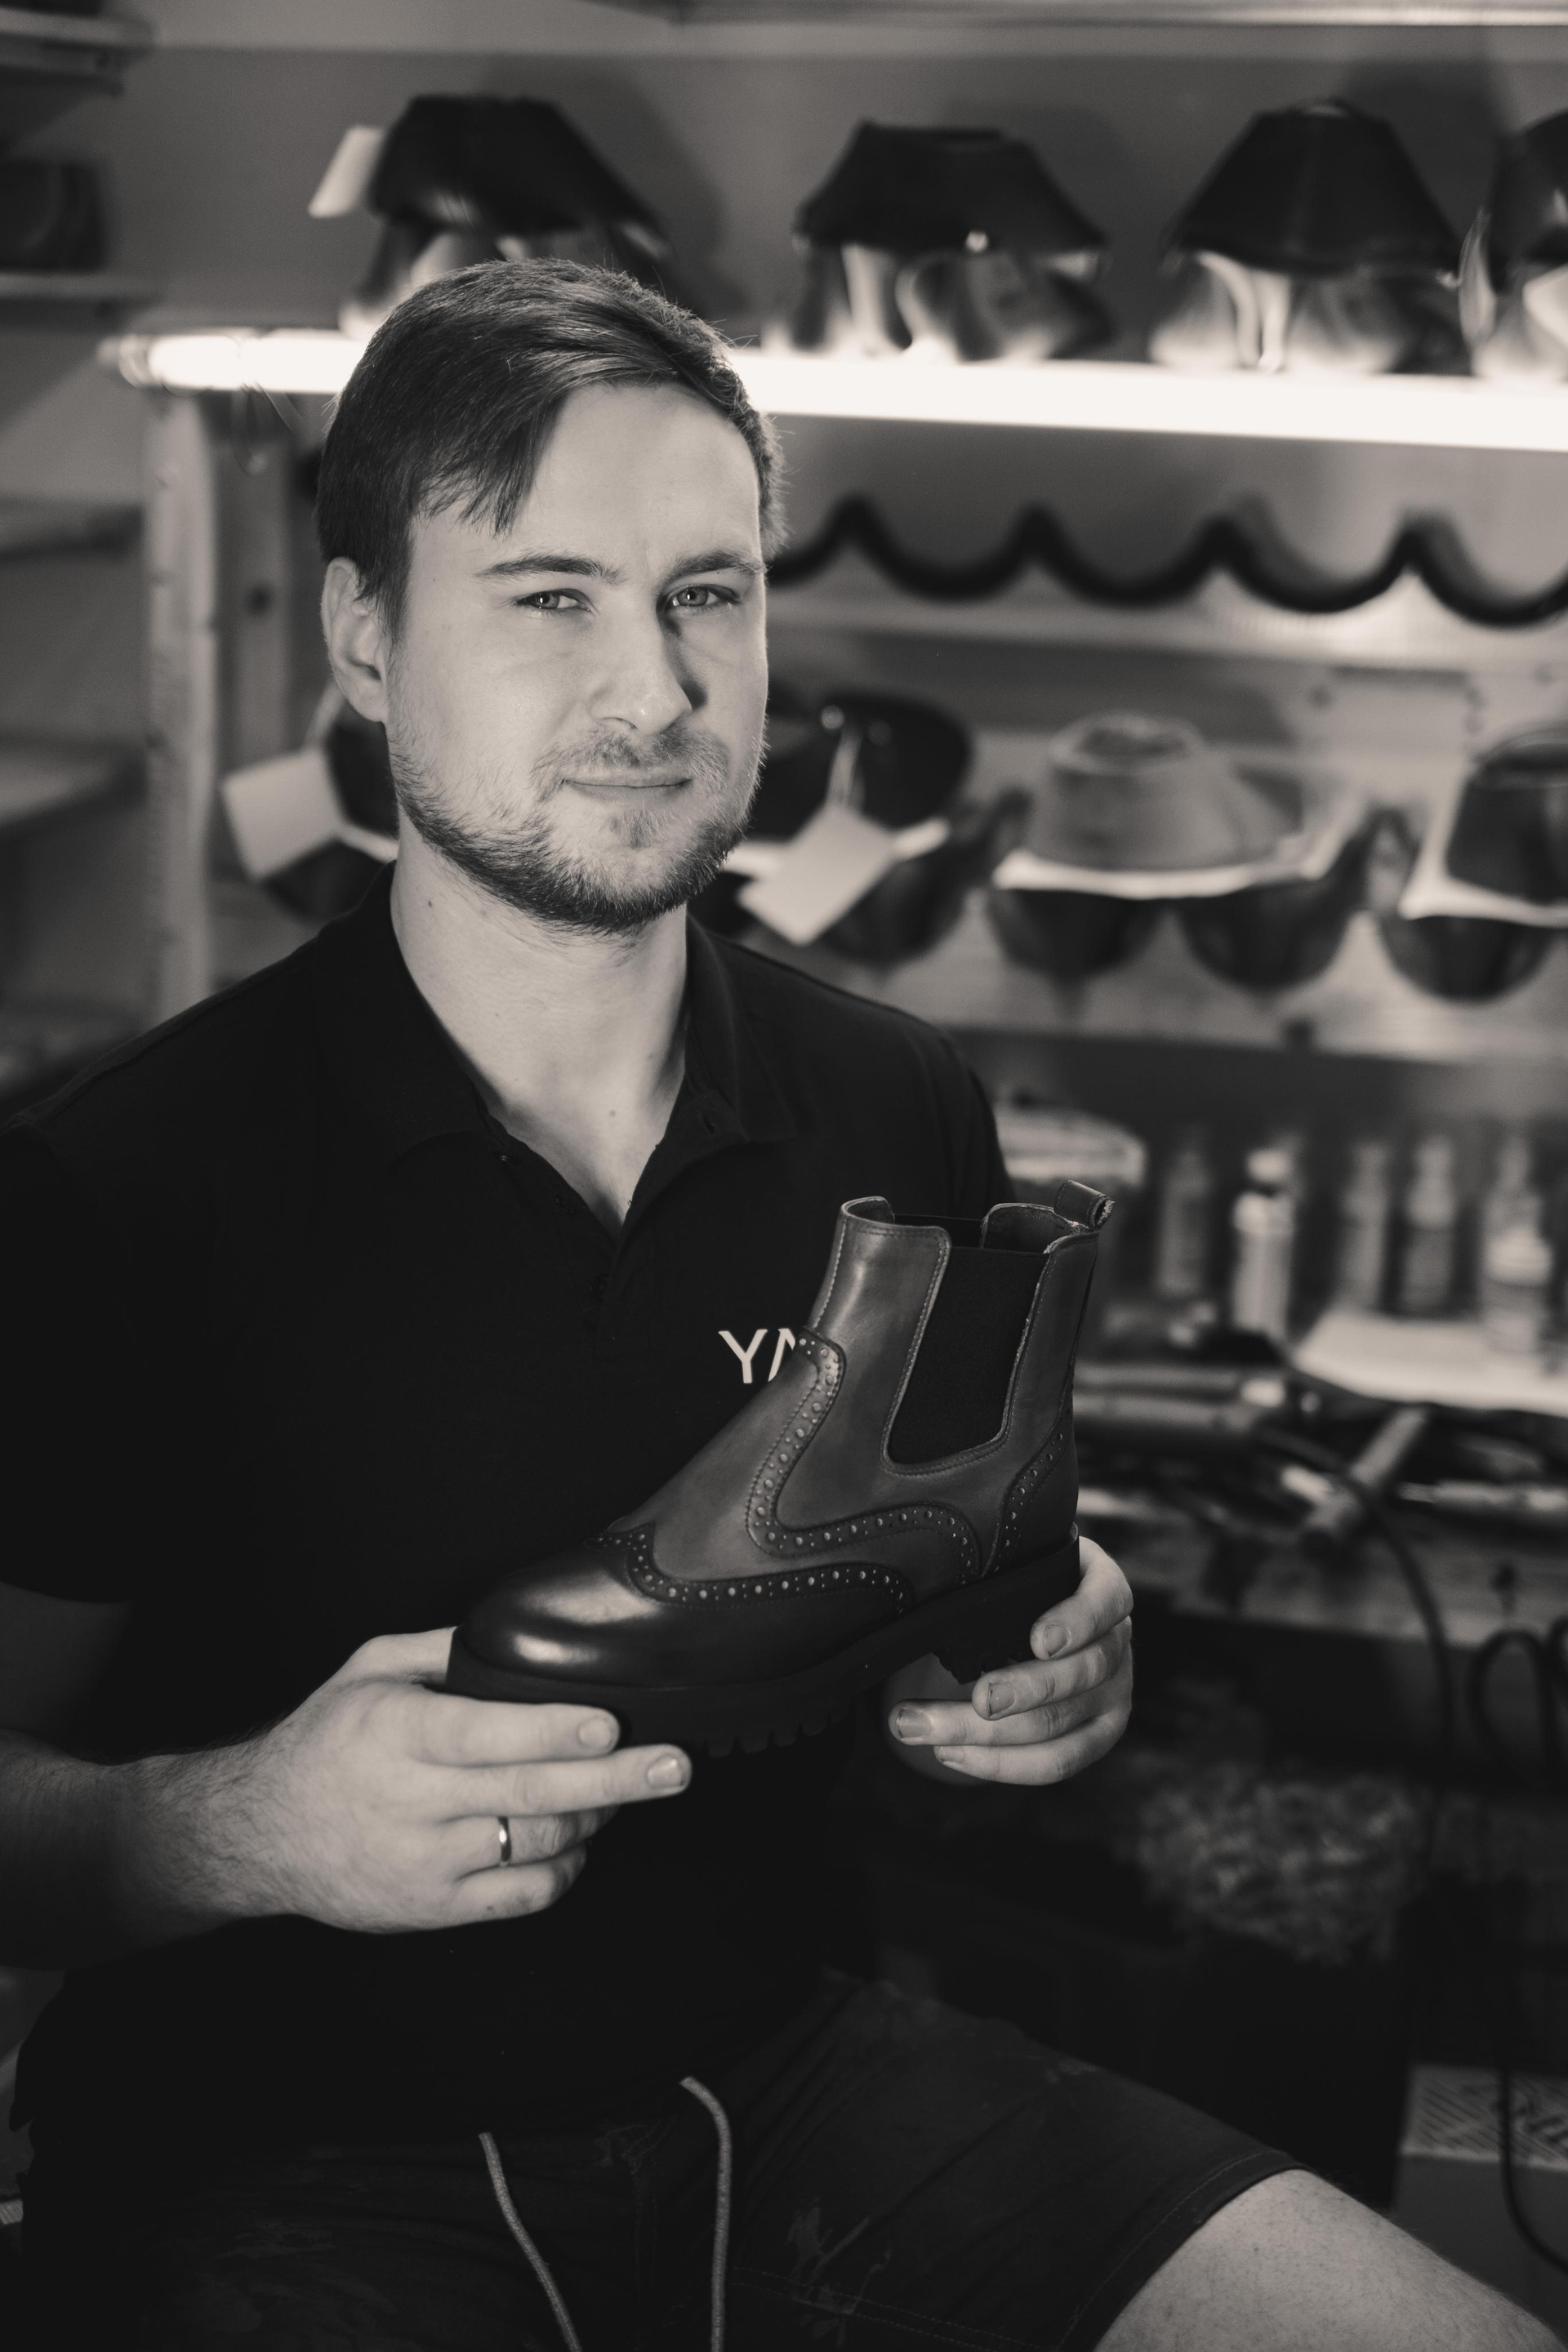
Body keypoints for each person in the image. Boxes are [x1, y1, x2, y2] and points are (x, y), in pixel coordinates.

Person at [0, 260, 1552, 2352]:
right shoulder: (130, 1184)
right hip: (279, 2147)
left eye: (705, 595)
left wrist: (1044, 1650)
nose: (652, 688)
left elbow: (937, 1568)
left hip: (789, 2083)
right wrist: (239, 1824)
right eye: (549, 597)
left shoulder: (893, 1105)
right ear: (364, 637)